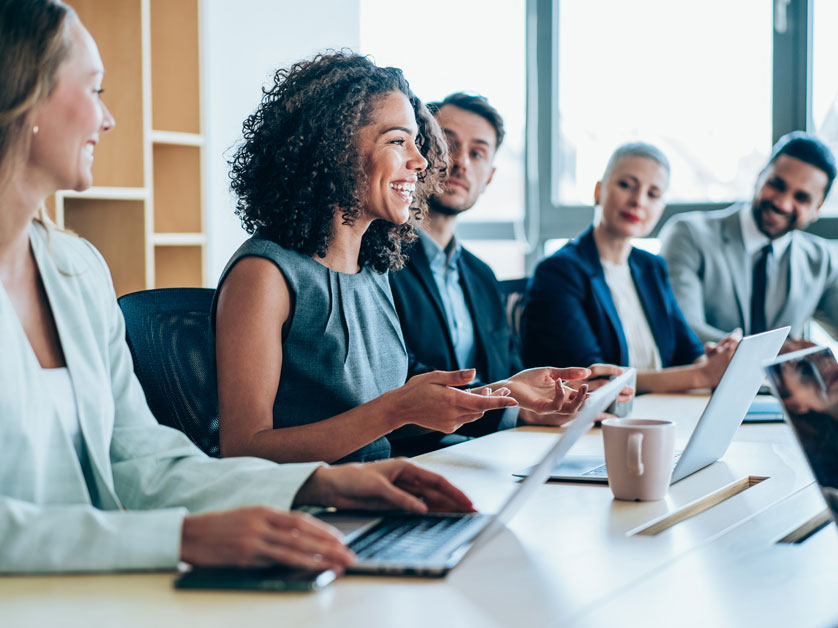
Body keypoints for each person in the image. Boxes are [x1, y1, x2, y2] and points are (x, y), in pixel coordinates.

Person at [0, 0, 475, 574]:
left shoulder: (76, 269)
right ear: (21, 93)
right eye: (94, 89)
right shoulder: (268, 271)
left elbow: (143, 461)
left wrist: (330, 484)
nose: (109, 120)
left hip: (97, 586)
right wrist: (179, 540)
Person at [213, 56, 531, 466]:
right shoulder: (264, 274)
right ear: (335, 146)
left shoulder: (374, 271)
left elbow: (383, 424)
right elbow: (243, 449)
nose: (422, 161)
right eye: (398, 141)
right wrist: (396, 409)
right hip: (311, 513)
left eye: (417, 143)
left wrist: (506, 392)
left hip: (379, 490)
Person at [389, 92, 623, 455]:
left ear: (490, 177)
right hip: (418, 453)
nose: (461, 162)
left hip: (490, 449)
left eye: (477, 153)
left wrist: (556, 394)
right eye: (447, 145)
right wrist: (513, 410)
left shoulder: (480, 275)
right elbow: (396, 375)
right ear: (420, 152)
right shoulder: (381, 260)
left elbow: (509, 370)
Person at [522, 143, 738, 393]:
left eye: (653, 194)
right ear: (598, 191)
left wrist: (715, 362)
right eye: (626, 185)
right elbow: (593, 378)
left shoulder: (651, 267)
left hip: (660, 411)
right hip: (595, 420)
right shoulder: (559, 271)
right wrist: (701, 376)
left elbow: (688, 351)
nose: (638, 201)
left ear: (660, 210)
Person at [659, 132, 838, 351]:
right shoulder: (688, 234)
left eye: (801, 197)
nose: (782, 203)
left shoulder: (821, 260)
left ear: (817, 208)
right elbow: (684, 328)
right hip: (701, 384)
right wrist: (775, 352)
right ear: (759, 176)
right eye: (777, 185)